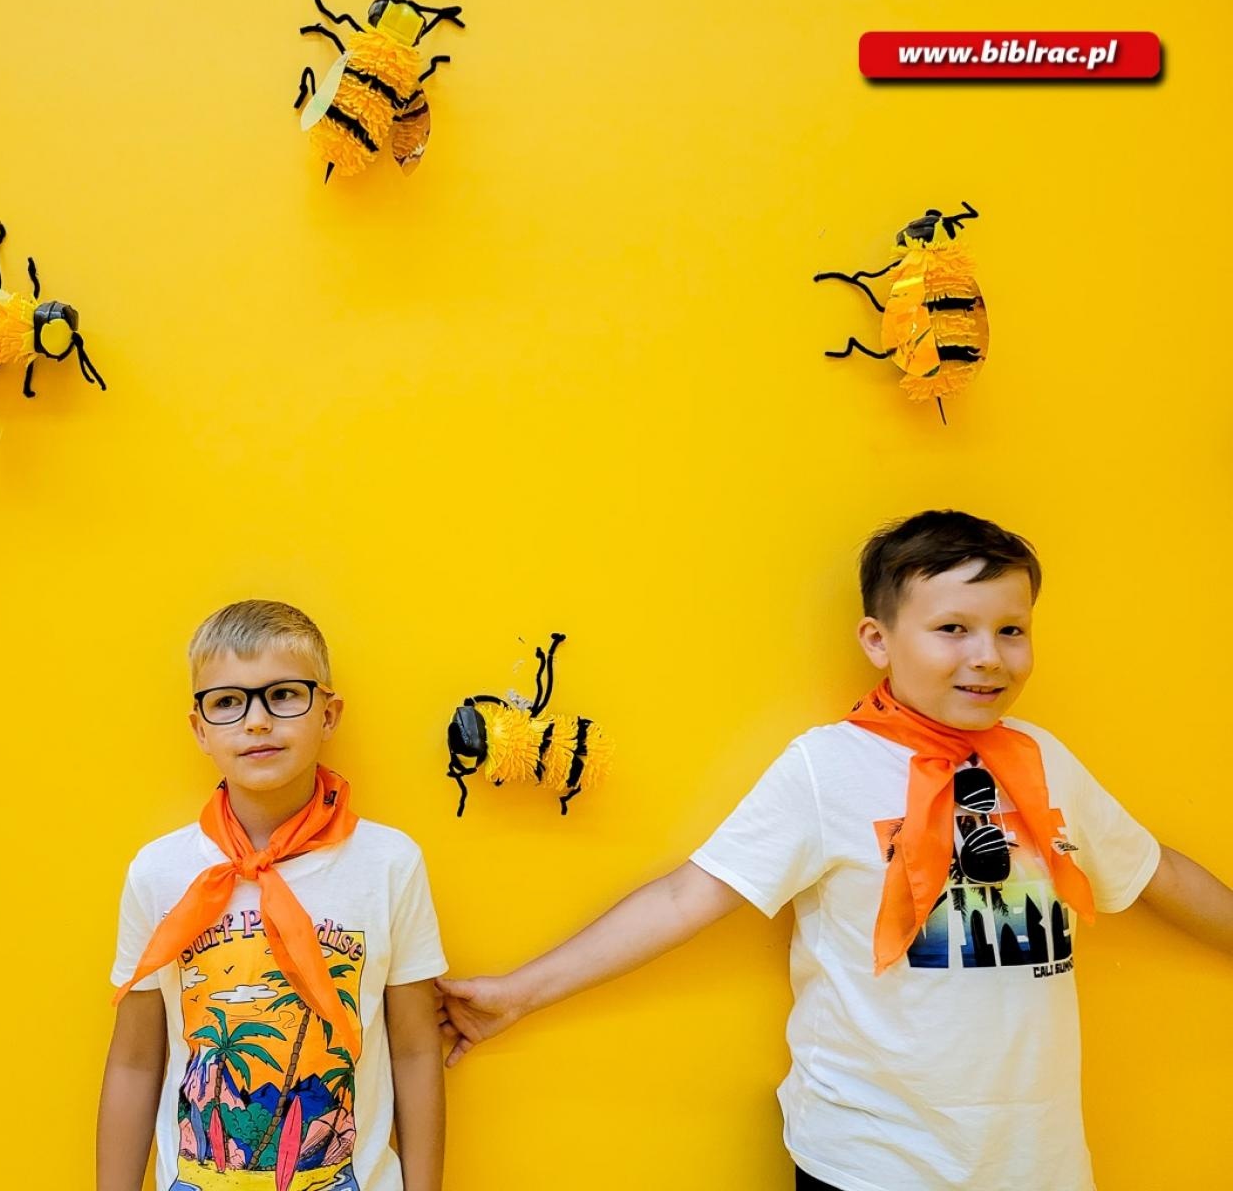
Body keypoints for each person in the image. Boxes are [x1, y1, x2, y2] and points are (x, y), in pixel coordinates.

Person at [438, 510, 1233, 1190]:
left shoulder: (1043, 758)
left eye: (1011, 630)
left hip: (1036, 1161)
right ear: (878, 641)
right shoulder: (829, 766)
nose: (987, 655)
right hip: (870, 1159)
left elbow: (1152, 869)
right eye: (952, 628)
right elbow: (691, 895)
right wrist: (521, 991)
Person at [99, 600, 447, 1191]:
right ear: (199, 729)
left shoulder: (389, 864)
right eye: (228, 702)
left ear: (329, 714)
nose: (257, 721)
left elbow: (415, 1049)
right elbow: (135, 1060)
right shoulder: (158, 872)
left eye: (284, 695)